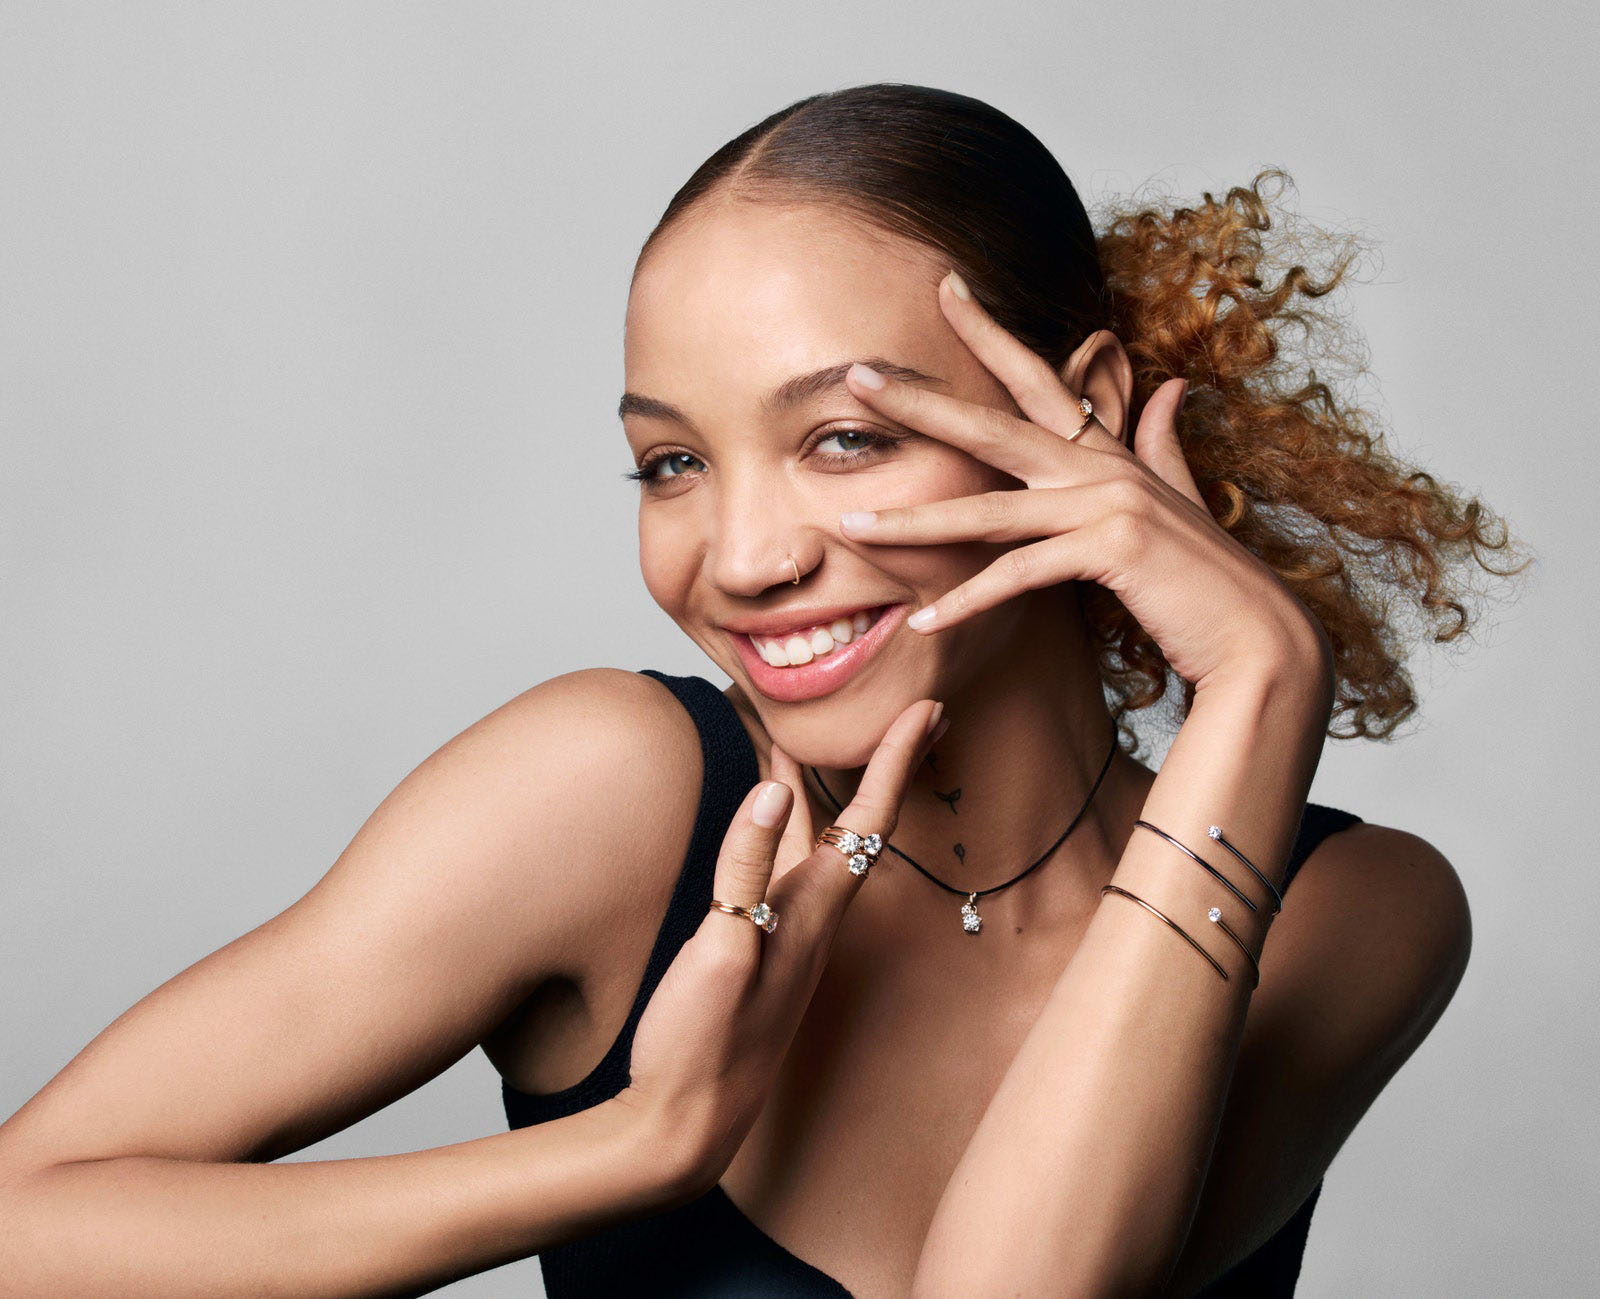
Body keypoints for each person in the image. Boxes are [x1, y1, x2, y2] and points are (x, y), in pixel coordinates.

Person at [0, 83, 1525, 1297]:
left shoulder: (1351, 917)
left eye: (846, 438)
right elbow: (27, 1228)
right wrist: (633, 1148)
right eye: (672, 462)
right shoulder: (610, 800)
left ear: (1091, 415)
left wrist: (1261, 682)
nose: (739, 557)